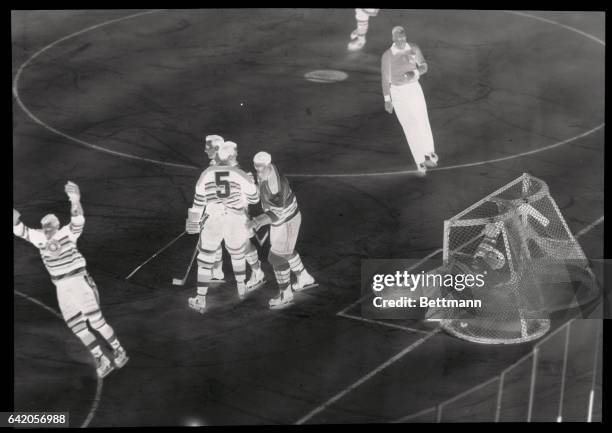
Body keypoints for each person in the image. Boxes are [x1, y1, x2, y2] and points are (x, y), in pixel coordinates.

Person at [13, 182, 129, 378]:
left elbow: (78, 218)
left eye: (50, 224)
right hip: (61, 287)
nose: (46, 227)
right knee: (77, 326)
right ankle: (100, 357)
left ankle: (118, 350)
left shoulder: (67, 233)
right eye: (44, 225)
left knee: (96, 321)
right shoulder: (38, 238)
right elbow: (18, 227)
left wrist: (75, 200)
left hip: (79, 282)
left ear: (58, 225)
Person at [186, 141, 261, 314]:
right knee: (237, 252)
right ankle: (241, 288)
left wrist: (193, 223)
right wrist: (252, 182)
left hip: (213, 220)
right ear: (232, 157)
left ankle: (201, 297)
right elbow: (254, 198)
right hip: (235, 219)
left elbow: (198, 202)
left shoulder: (207, 173)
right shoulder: (240, 173)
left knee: (206, 256)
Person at [248, 151, 316, 309]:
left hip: (287, 221)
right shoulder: (264, 172)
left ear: (268, 164)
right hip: (283, 220)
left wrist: (256, 221)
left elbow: (276, 214)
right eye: (255, 167)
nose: (257, 170)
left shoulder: (275, 185)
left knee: (276, 257)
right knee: (285, 250)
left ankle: (286, 293)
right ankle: (304, 277)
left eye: (260, 167)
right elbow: (262, 195)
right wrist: (252, 185)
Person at [381, 26, 438, 176]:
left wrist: (414, 73)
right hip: (398, 93)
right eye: (398, 38)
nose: (401, 41)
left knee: (422, 120)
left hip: (414, 88)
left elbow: (424, 66)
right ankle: (419, 160)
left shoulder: (414, 48)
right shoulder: (387, 56)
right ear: (393, 38)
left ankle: (429, 151)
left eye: (403, 38)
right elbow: (384, 79)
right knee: (409, 126)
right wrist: (387, 100)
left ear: (405, 37)